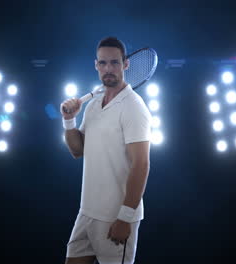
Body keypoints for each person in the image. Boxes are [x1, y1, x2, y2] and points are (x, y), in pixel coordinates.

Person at [60, 37, 151, 264]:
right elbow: (77, 150)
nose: (108, 69)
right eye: (103, 63)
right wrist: (69, 120)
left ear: (125, 64)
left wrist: (125, 217)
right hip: (87, 212)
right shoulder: (92, 105)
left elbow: (141, 165)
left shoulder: (134, 107)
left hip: (115, 217)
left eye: (114, 63)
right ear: (96, 65)